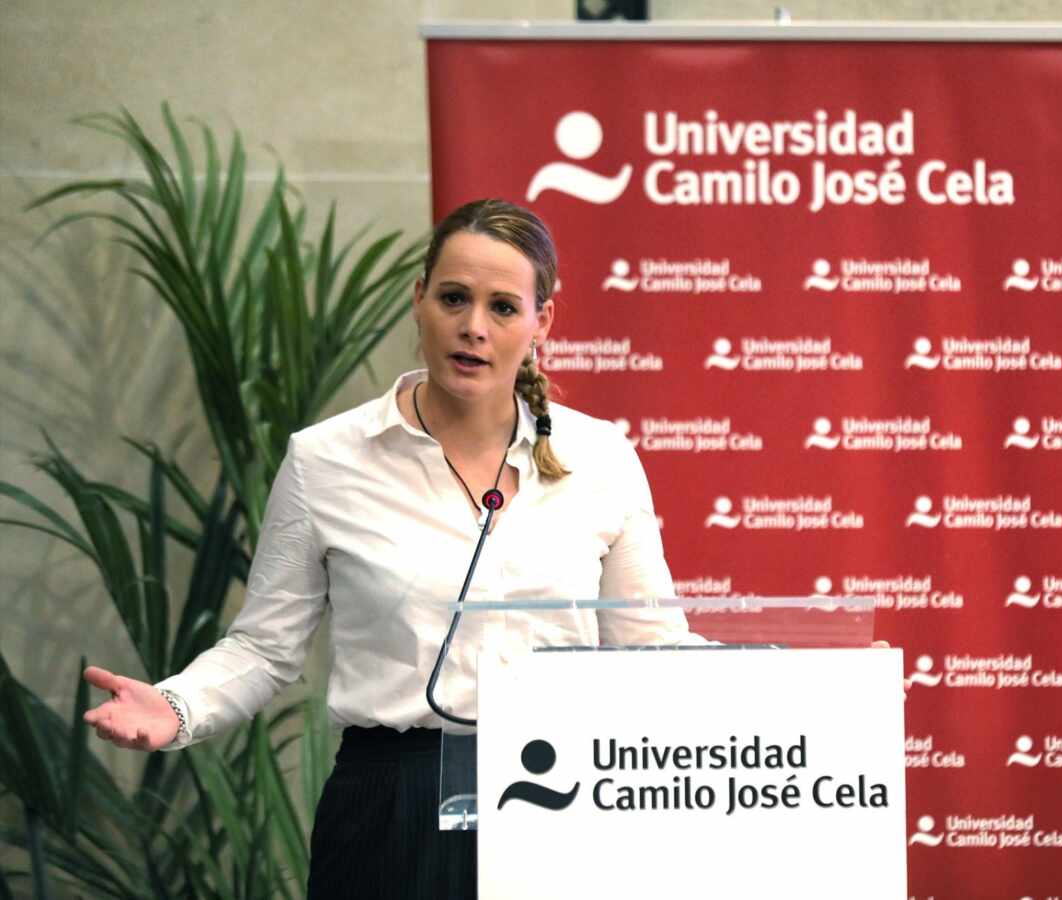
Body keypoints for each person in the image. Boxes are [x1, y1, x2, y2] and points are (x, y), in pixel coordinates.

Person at [80, 199, 695, 899]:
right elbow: (264, 648)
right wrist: (176, 705)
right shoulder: (325, 461)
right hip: (392, 808)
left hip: (567, 793)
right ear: (419, 298)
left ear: (541, 322)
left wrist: (801, 695)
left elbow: (653, 650)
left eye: (502, 307)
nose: (473, 328)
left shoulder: (600, 459)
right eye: (454, 298)